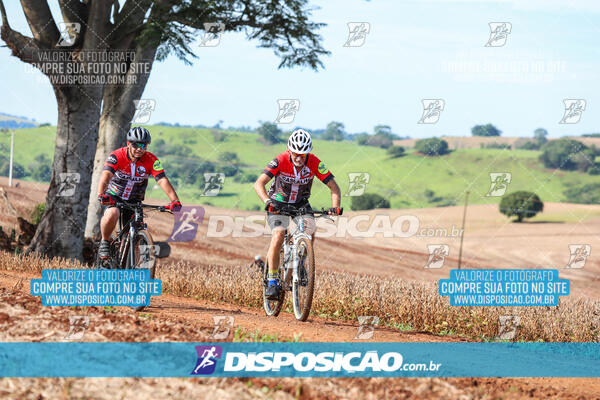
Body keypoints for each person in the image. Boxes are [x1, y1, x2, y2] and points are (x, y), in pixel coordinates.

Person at [254, 129, 341, 300]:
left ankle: (299, 263)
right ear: (289, 151)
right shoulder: (280, 160)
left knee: (310, 229)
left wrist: (335, 207)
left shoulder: (315, 162)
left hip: (300, 203)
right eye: (295, 154)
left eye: (303, 154)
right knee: (279, 234)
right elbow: (259, 184)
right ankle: (272, 281)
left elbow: (334, 187)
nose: (299, 158)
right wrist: (267, 202)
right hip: (278, 203)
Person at [96, 127, 182, 260]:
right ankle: (105, 242)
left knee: (136, 233)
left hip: (135, 199)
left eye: (143, 145)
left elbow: (162, 180)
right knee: (112, 213)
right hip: (114, 196)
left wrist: (174, 200)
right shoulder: (116, 156)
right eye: (136, 144)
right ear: (128, 144)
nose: (139, 148)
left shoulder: (151, 160)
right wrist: (101, 194)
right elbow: (106, 175)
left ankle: (131, 267)